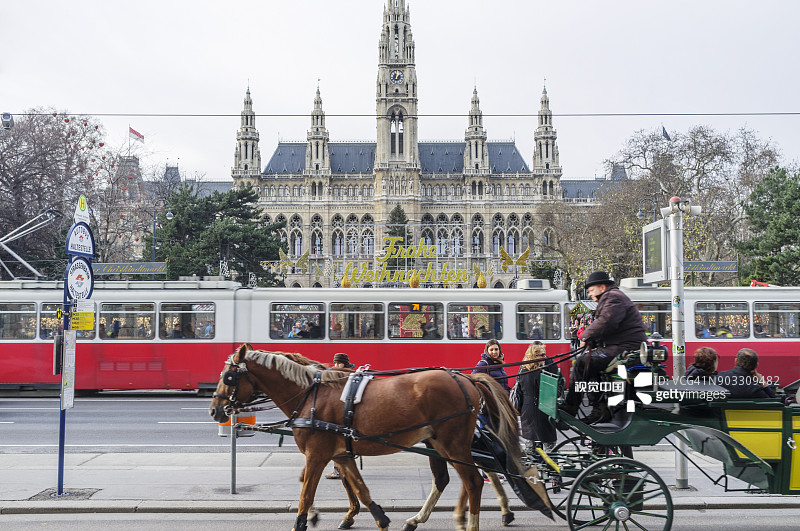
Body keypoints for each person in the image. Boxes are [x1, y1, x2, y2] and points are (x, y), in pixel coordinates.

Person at [561, 271, 646, 424]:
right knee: (589, 362)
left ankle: (573, 407)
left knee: (582, 363)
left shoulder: (613, 297)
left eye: (591, 290)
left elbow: (607, 321)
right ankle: (599, 407)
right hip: (623, 346)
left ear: (602, 287)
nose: (590, 294)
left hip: (626, 348)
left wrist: (586, 337)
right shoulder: (613, 297)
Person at [516, 342, 560, 454]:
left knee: (530, 447)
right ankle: (550, 469)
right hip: (543, 410)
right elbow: (553, 391)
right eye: (542, 355)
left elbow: (520, 391)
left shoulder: (523, 369)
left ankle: (531, 470)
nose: (545, 357)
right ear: (534, 356)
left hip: (527, 410)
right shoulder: (542, 372)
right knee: (549, 447)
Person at [326, 352, 355, 480]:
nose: (336, 365)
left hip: (345, 413)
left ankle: (339, 471)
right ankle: (342, 470)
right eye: (335, 363)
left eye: (339, 363)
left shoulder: (347, 375)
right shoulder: (337, 374)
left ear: (345, 363)